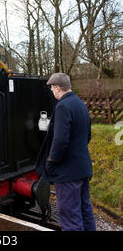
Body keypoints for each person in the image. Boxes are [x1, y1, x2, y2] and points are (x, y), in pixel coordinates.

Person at [35, 73, 96, 231]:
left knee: (70, 217)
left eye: (51, 88)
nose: (51, 92)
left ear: (57, 87)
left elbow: (60, 140)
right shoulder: (79, 104)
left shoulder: (63, 106)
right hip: (82, 169)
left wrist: (51, 161)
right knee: (85, 211)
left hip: (67, 174)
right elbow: (87, 136)